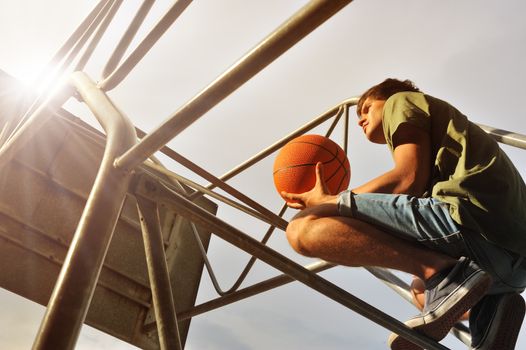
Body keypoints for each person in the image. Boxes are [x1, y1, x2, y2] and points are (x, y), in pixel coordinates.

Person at [282, 78, 526, 350]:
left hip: (471, 220)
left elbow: (407, 178)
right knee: (420, 290)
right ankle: (493, 308)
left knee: (302, 229)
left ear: (388, 98)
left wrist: (330, 201)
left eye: (367, 108)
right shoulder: (446, 143)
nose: (360, 117)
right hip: (513, 263)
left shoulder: (400, 101)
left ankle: (447, 275)